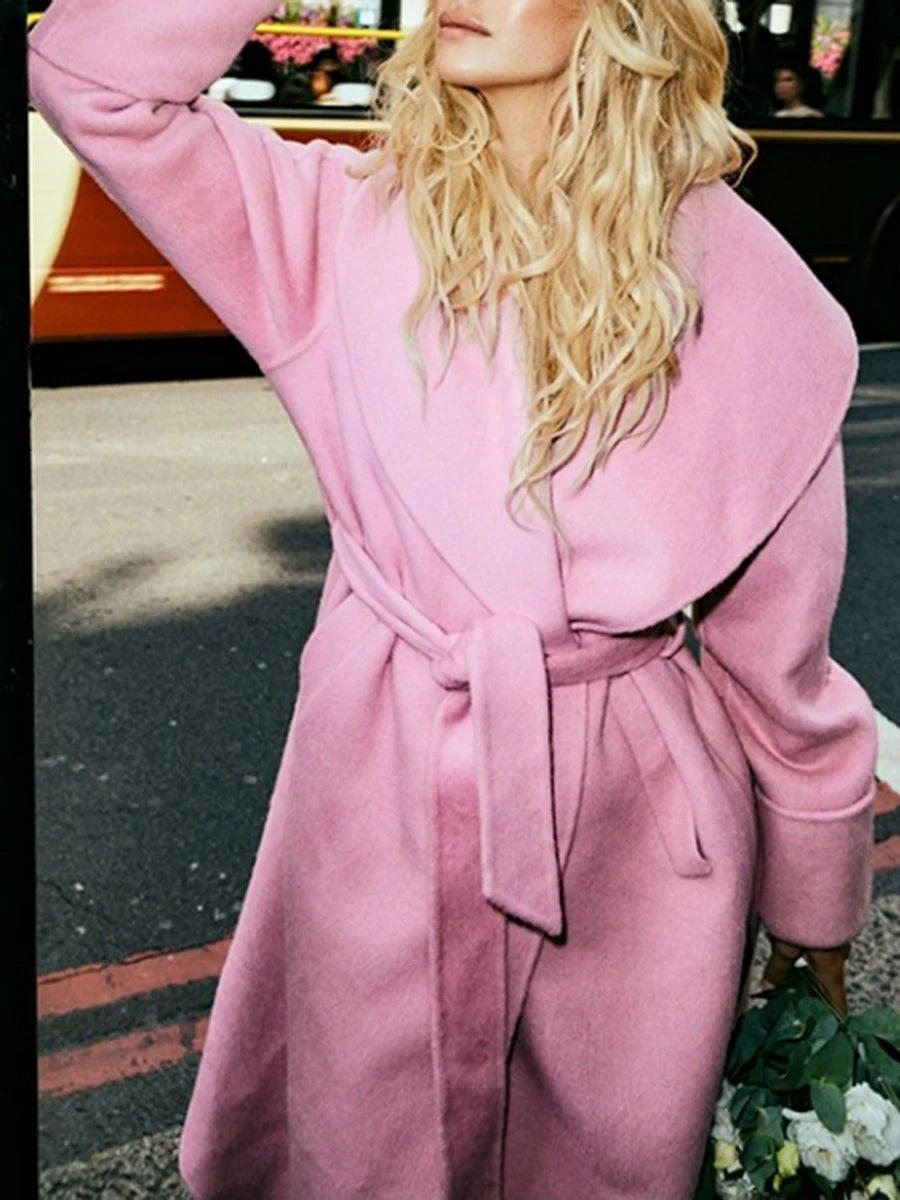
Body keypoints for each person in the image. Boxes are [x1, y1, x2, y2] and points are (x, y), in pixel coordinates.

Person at [28, 1, 878, 1198]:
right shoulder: (334, 224)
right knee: (363, 1155)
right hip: (381, 777)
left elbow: (779, 663)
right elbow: (88, 79)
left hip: (637, 833)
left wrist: (815, 922)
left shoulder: (758, 294)